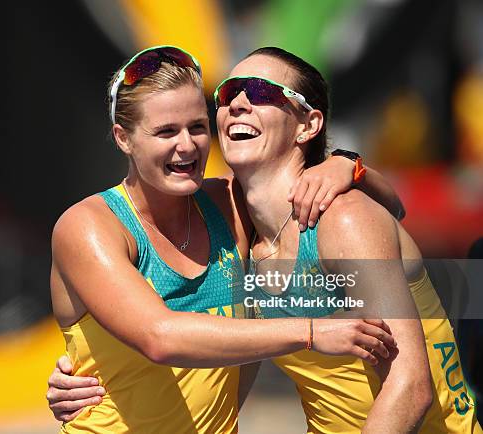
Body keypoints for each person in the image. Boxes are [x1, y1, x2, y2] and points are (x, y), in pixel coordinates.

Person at [48, 46, 482, 433]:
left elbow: (410, 387)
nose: (237, 104)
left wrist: (348, 165)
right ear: (123, 138)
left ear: (308, 124)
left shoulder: (271, 218)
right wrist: (311, 330)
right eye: (228, 94)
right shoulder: (230, 222)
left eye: (260, 92)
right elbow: (163, 338)